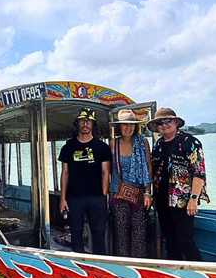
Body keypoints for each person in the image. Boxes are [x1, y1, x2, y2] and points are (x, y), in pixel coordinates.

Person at [148, 107, 208, 261]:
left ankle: (199, 275)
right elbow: (154, 171)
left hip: (183, 201)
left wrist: (193, 199)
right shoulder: (159, 144)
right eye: (160, 122)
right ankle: (177, 275)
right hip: (162, 200)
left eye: (167, 121)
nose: (164, 125)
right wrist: (152, 196)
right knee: (170, 240)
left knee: (185, 241)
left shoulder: (190, 142)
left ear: (176, 122)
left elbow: (199, 173)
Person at [58, 108, 112, 254]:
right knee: (76, 234)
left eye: (88, 121)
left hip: (96, 197)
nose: (85, 124)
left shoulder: (102, 147)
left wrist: (103, 195)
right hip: (75, 198)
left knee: (98, 234)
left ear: (93, 124)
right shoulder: (68, 148)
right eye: (82, 121)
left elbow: (106, 172)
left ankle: (100, 267)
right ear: (77, 123)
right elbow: (65, 173)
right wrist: (63, 198)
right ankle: (79, 267)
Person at [109, 109, 152, 257]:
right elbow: (107, 170)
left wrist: (147, 192)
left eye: (132, 124)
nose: (128, 128)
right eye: (125, 124)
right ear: (119, 127)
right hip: (118, 193)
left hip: (138, 194)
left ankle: (138, 266)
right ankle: (122, 267)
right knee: (121, 234)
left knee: (139, 234)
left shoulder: (142, 142)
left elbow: (148, 167)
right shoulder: (113, 144)